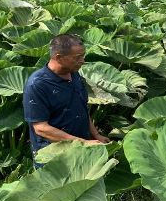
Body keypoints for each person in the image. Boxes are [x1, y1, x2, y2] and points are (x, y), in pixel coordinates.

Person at [23, 34, 110, 166]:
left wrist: (95, 134)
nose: (83, 60)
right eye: (77, 57)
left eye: (83, 55)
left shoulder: (75, 75)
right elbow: (41, 128)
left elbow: (81, 109)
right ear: (59, 57)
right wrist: (82, 142)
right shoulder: (38, 84)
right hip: (54, 157)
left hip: (81, 150)